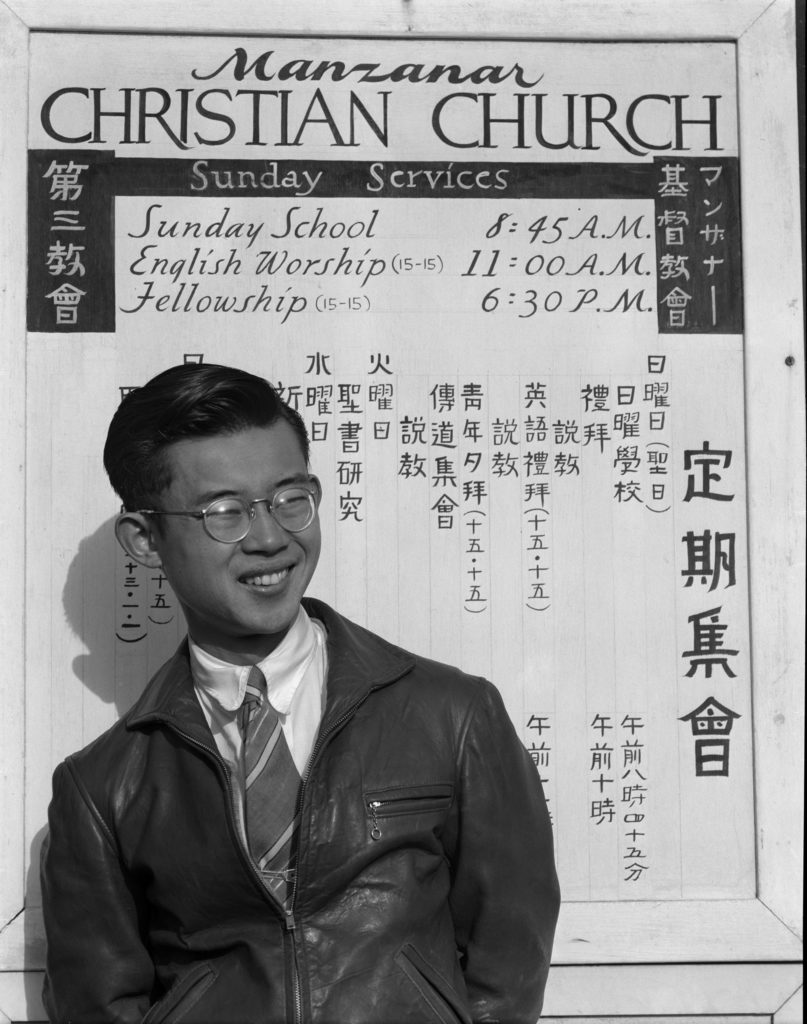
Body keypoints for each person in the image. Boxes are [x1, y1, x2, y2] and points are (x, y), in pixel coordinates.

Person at [41, 362, 560, 1024]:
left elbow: (508, 960)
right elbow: (97, 1004)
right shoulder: (102, 787)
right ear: (145, 540)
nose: (269, 538)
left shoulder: (451, 716)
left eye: (290, 498)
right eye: (223, 511)